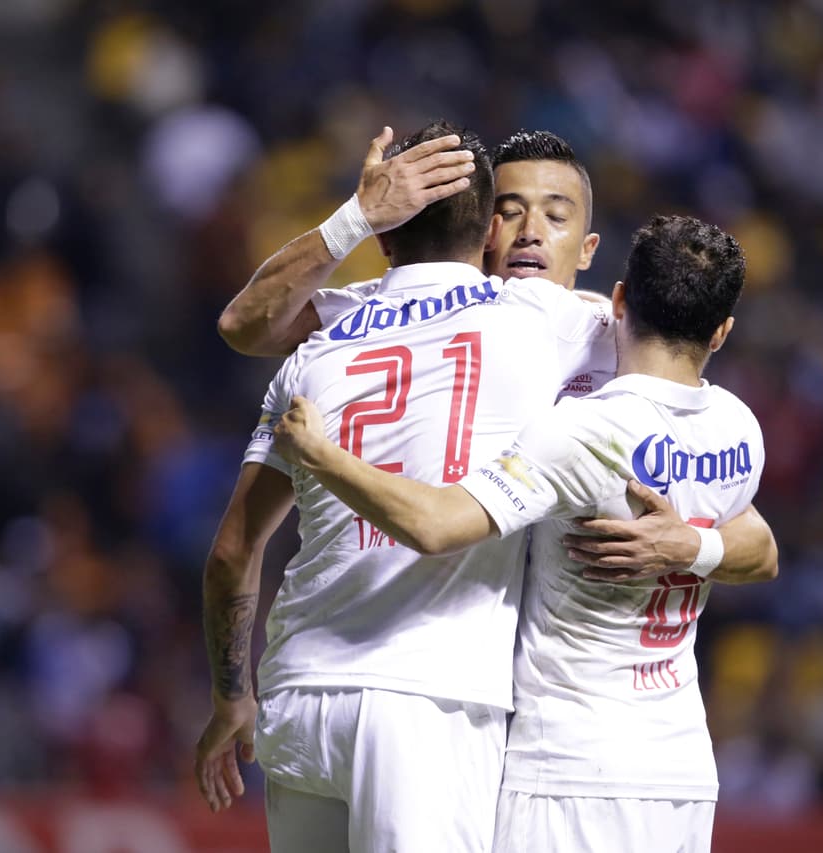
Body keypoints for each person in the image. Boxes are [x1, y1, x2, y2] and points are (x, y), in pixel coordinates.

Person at [272, 214, 771, 853]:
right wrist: (696, 547)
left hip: (568, 768)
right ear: (722, 332)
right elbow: (763, 548)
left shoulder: (583, 432)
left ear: (617, 300)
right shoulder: (739, 429)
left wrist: (323, 456)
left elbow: (435, 523)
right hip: (679, 771)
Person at [197, 119, 623, 852]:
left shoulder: (327, 335)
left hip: (299, 691)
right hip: (428, 698)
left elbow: (233, 548)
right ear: (490, 232)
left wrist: (232, 696)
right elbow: (677, 353)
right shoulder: (542, 319)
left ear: (386, 236)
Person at [215, 126, 776, 588]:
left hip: (547, 682)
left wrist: (695, 545)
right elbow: (248, 325)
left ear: (588, 249)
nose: (531, 232)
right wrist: (357, 218)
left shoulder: (616, 338)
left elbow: (752, 536)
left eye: (556, 217)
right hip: (441, 650)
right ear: (482, 229)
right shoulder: (393, 311)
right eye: (509, 213)